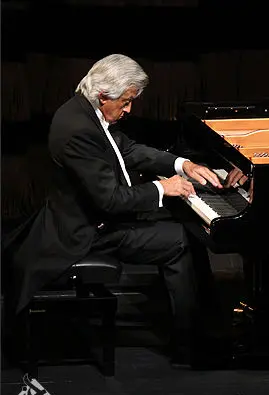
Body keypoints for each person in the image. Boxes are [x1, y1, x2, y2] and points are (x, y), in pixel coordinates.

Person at [4, 53, 245, 368]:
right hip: (85, 233)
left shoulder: (85, 111)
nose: (129, 109)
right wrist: (163, 188)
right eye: (126, 102)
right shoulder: (78, 130)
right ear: (104, 95)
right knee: (181, 242)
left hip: (91, 220)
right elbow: (111, 201)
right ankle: (191, 344)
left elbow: (128, 150)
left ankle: (205, 331)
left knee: (184, 230)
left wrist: (182, 165)